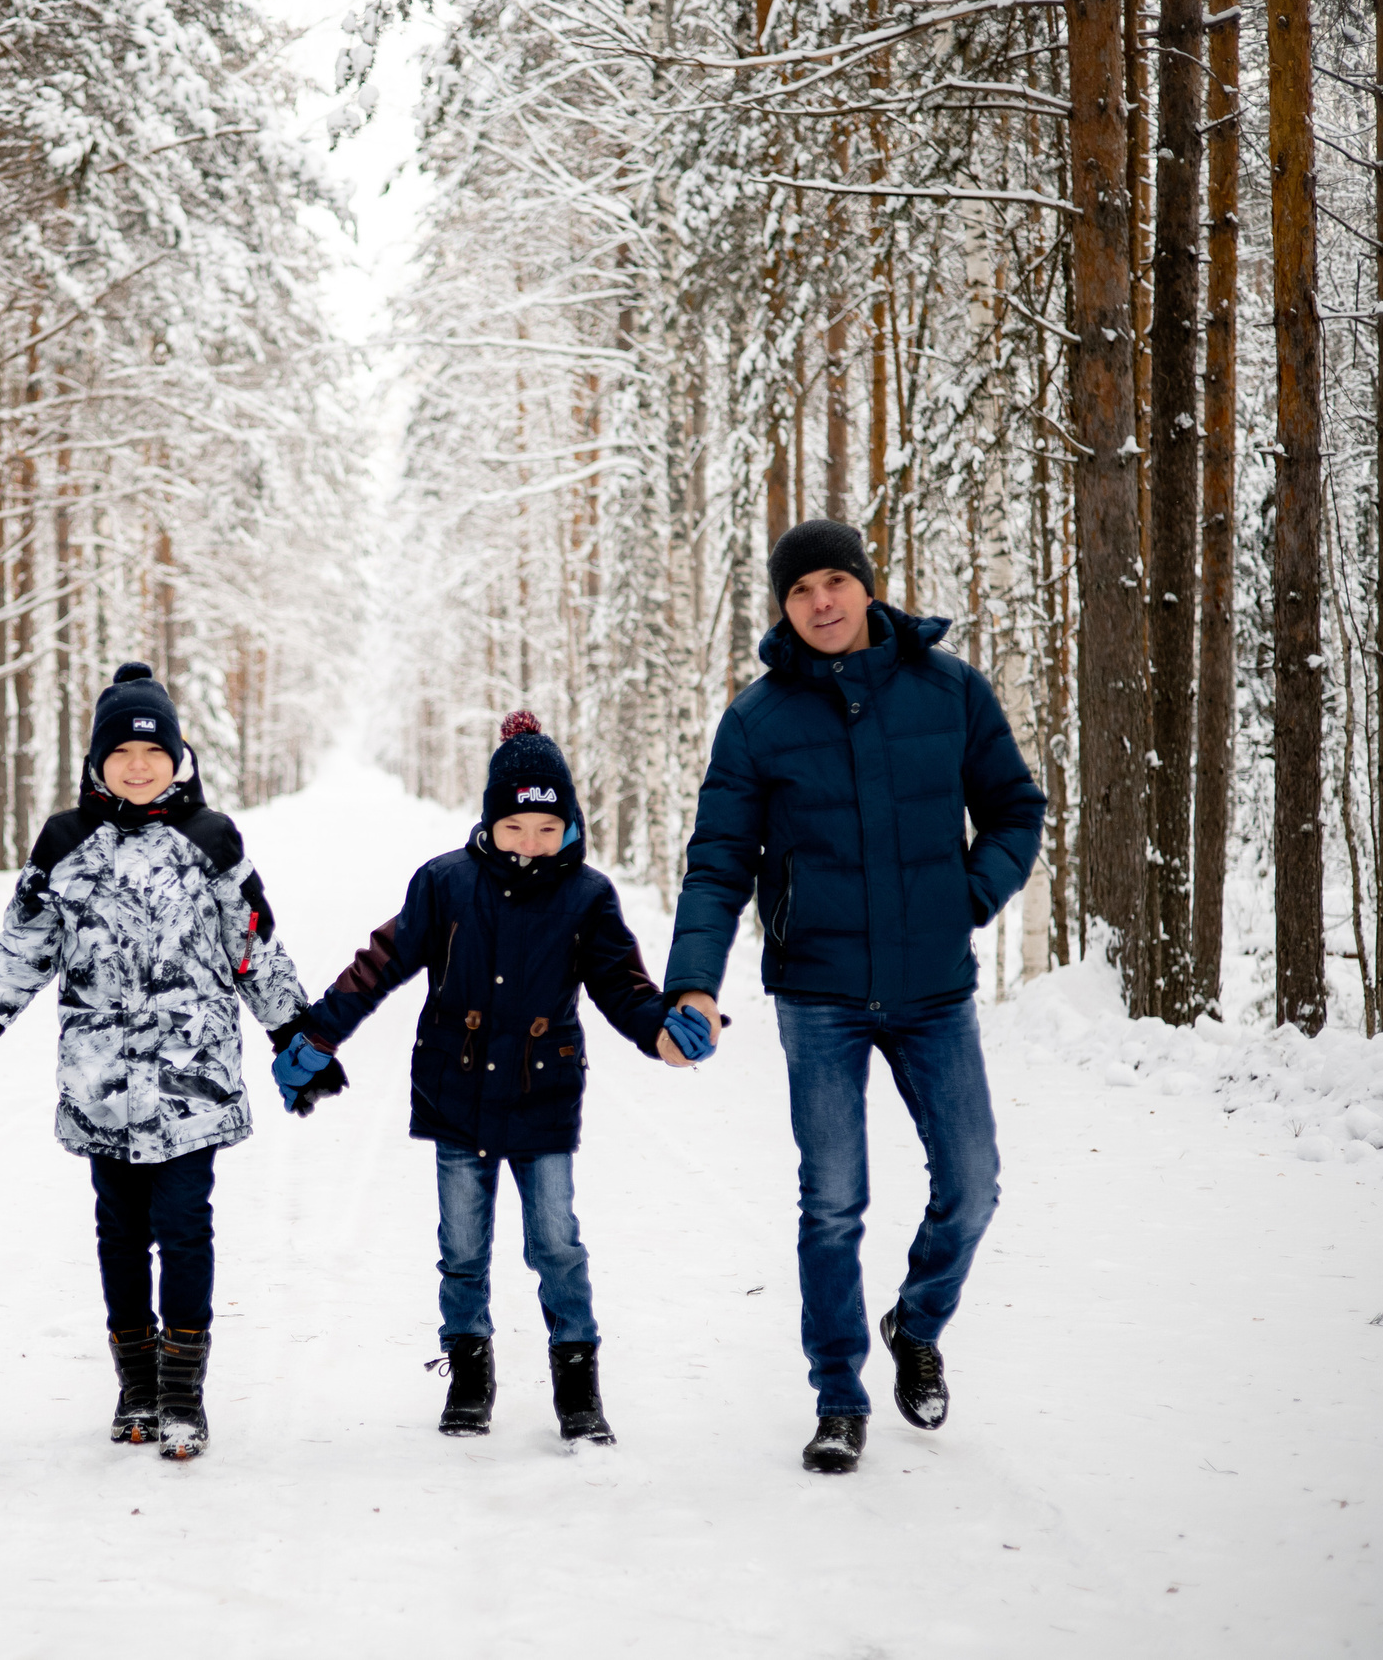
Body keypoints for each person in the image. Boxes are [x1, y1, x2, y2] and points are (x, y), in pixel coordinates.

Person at [662, 519, 1045, 1474]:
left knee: (972, 1180)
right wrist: (694, 984)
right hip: (820, 992)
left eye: (836, 581)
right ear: (784, 608)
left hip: (932, 988)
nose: (822, 602)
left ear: (868, 587)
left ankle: (915, 1324)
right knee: (833, 1200)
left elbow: (1014, 808)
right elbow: (718, 864)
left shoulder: (949, 691)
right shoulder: (758, 719)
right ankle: (839, 1394)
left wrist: (967, 894)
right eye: (801, 591)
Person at [273, 711, 709, 1446]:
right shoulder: (445, 883)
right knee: (463, 1246)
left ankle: (577, 1380)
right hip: (458, 1088)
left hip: (543, 1093)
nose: (530, 843)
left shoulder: (588, 897)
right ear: (489, 822)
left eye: (546, 828)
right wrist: (318, 1032)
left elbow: (622, 986)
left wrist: (662, 1030)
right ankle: (471, 1372)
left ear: (568, 823)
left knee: (557, 1242)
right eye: (514, 827)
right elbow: (380, 963)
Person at [0, 662, 313, 1460]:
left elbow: (251, 943)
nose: (138, 763)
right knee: (119, 1233)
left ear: (178, 756)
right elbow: (25, 948)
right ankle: (137, 1386)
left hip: (192, 1084)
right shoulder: (65, 842)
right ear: (97, 761)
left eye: (153, 750)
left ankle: (184, 1394)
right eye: (121, 750)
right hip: (103, 1086)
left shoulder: (212, 839)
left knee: (184, 1228)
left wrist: (294, 1031)